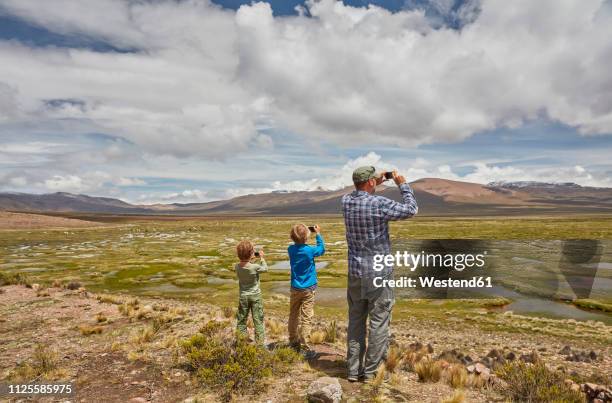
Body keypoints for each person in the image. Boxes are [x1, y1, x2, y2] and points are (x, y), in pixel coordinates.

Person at [342, 166, 418, 382]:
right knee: (378, 322)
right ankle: (371, 372)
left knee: (356, 321)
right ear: (371, 183)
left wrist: (378, 181)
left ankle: (353, 371)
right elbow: (411, 209)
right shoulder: (379, 204)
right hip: (378, 274)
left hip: (355, 273)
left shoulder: (346, 201)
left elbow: (363, 190)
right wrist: (402, 184)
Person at [287, 223, 326, 359]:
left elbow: (297, 244)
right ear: (306, 237)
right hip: (308, 289)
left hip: (295, 288)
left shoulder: (290, 249)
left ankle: (293, 342)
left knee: (293, 314)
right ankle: (305, 348)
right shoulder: (309, 251)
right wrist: (318, 234)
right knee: (306, 318)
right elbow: (321, 250)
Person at [234, 239, 268, 344]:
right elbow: (265, 268)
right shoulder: (255, 267)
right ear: (251, 253)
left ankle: (241, 342)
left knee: (241, 320)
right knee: (258, 320)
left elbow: (246, 265)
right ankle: (260, 345)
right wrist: (262, 258)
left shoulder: (237, 266)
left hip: (243, 296)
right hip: (255, 296)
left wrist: (249, 259)